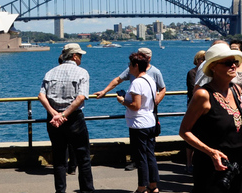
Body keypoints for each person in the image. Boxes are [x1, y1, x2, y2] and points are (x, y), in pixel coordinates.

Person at [180, 43, 242, 193]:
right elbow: (184, 131)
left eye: (235, 62)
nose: (233, 66)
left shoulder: (236, 90)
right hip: (212, 167)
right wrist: (211, 152)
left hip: (237, 165)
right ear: (213, 67)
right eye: (228, 63)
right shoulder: (203, 95)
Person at [94, 47, 166, 171]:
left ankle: (144, 173)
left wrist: (156, 100)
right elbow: (118, 80)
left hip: (148, 109)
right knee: (135, 138)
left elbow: (163, 88)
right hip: (136, 111)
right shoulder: (132, 70)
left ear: (148, 58)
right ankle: (137, 161)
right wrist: (104, 91)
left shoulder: (155, 72)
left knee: (148, 140)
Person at [38, 43, 94, 193]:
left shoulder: (50, 73)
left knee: (59, 158)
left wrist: (54, 113)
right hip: (74, 119)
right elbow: (81, 97)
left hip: (53, 120)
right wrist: (64, 114)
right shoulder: (82, 72)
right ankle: (87, 190)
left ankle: (60, 191)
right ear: (74, 56)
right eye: (80, 55)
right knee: (83, 157)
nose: (81, 58)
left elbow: (41, 96)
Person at [116, 51, 160, 193]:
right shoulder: (150, 80)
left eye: (130, 64)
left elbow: (135, 106)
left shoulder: (136, 83)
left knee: (140, 157)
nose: (129, 67)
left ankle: (142, 187)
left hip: (138, 123)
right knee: (150, 155)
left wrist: (123, 101)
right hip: (150, 121)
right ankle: (153, 185)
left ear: (136, 65)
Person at [185, 50, 205, 174]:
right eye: (201, 58)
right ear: (197, 60)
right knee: (191, 133)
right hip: (194, 106)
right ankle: (188, 162)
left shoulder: (209, 72)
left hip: (204, 106)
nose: (203, 61)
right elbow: (193, 89)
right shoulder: (192, 73)